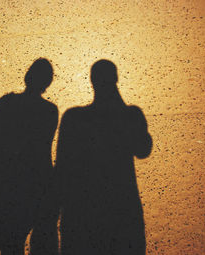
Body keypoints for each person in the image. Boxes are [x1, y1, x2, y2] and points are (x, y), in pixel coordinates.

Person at [57, 59, 152, 255]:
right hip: (122, 213)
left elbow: (61, 172)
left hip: (82, 215)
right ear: (116, 79)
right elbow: (143, 148)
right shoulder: (130, 115)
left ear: (91, 81)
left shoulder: (74, 118)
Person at [0, 58, 59, 255]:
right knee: (13, 244)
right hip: (27, 192)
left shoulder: (6, 103)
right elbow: (42, 156)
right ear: (48, 83)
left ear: (27, 76)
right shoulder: (49, 112)